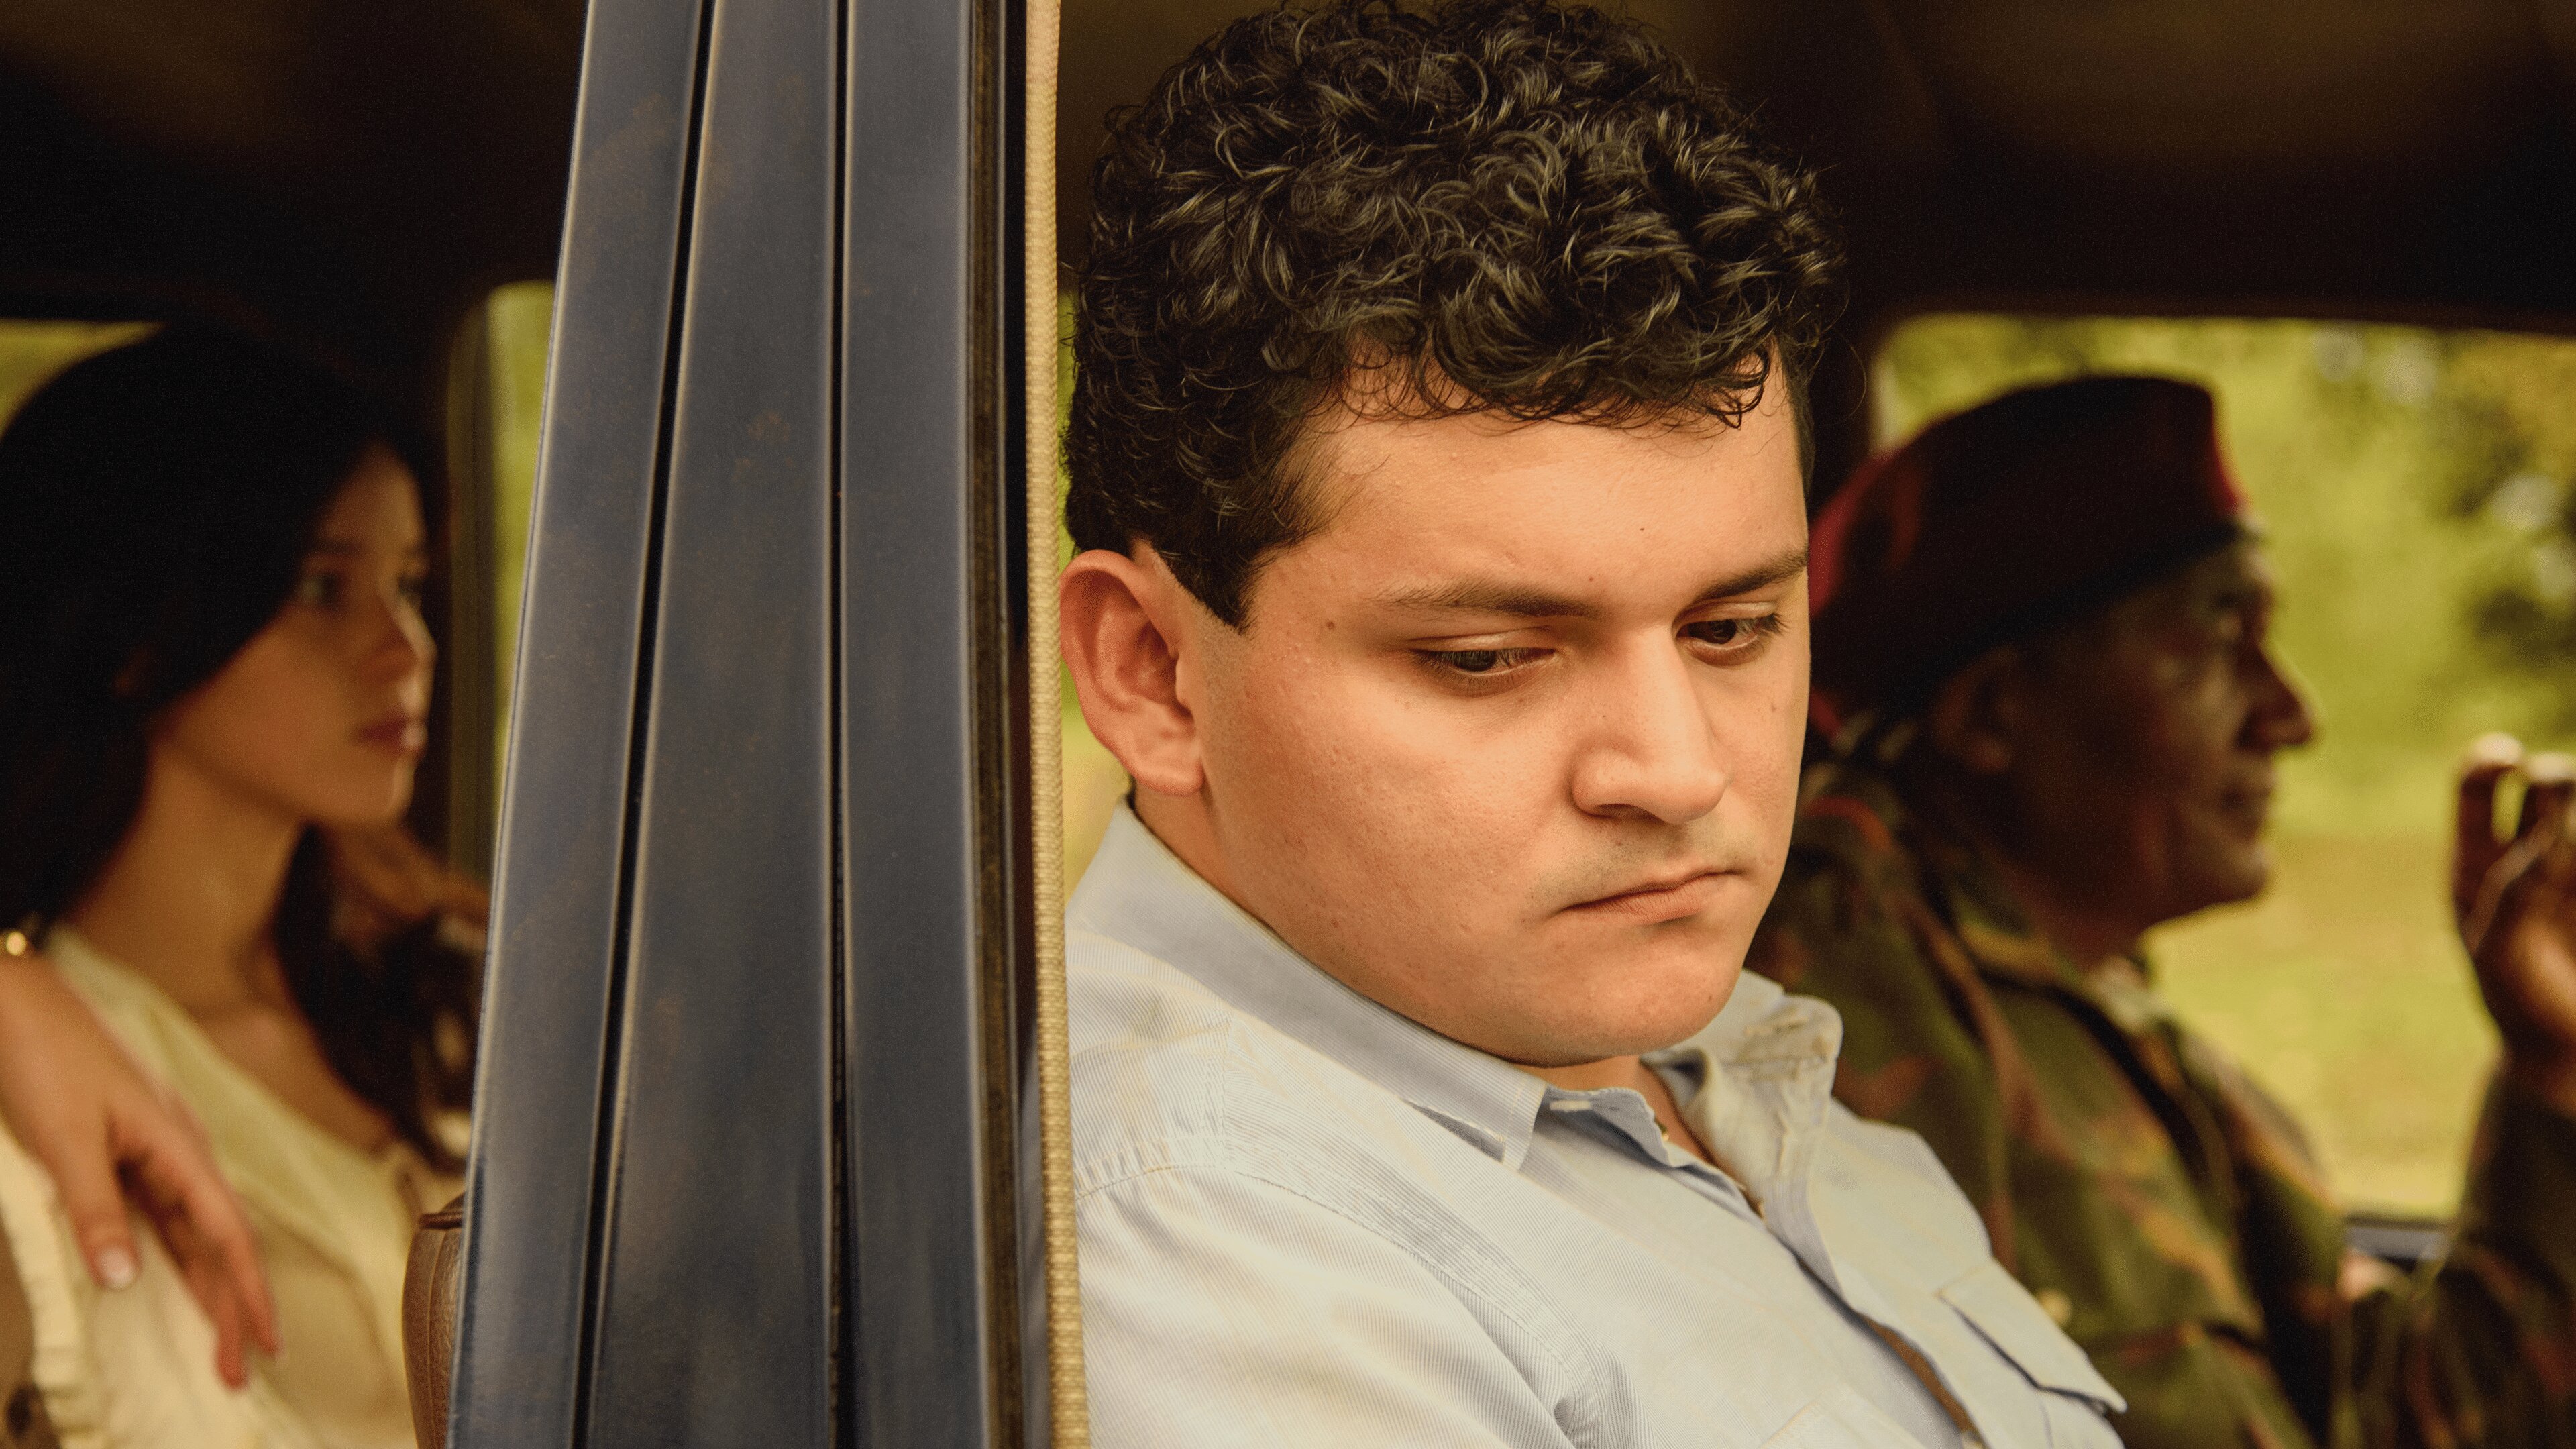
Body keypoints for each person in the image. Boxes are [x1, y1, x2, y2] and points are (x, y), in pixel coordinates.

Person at [1057, 3, 2123, 1442]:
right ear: (1150, 673)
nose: (1677, 771)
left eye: (1732, 629)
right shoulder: (1218, 1259)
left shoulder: (1677, 1046)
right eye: (1491, 658)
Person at [1750, 374, 2576, 1448]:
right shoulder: (1846, 989)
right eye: (2221, 639)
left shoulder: (2091, 1006)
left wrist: (2548, 1064)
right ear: (1993, 713)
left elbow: (2401, 1415)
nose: (2291, 717)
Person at [0, 328, 484, 1448]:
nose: (406, 647)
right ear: (136, 636)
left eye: (408, 585)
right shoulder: (46, 1073)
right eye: (323, 587)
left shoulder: (437, 995)